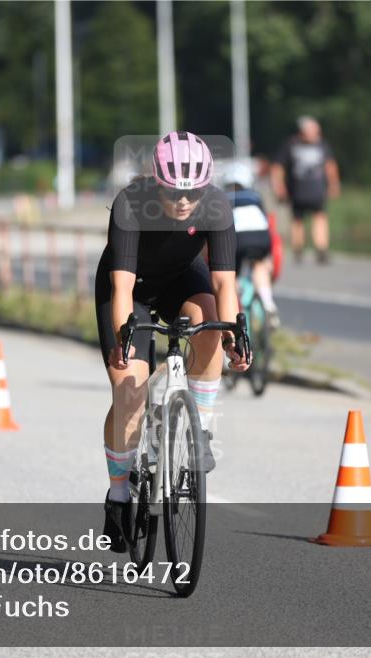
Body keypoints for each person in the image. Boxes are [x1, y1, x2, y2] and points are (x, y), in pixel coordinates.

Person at [95, 131, 251, 551]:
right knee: (130, 392)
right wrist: (126, 338)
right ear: (156, 181)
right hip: (131, 288)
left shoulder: (217, 205)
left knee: (212, 326)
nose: (184, 201)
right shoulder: (131, 202)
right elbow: (124, 287)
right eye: (174, 191)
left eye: (193, 192)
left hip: (182, 279)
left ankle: (199, 427)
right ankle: (118, 494)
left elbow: (223, 281)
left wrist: (237, 329)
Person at [271, 116, 340, 264]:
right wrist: (279, 186)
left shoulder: (322, 144)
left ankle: (321, 250)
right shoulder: (291, 144)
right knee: (297, 220)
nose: (315, 134)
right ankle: (298, 250)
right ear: (303, 131)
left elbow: (330, 165)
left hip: (317, 190)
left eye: (316, 131)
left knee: (320, 218)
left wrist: (334, 184)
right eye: (312, 131)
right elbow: (278, 166)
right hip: (297, 190)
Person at [222, 160, 280, 323]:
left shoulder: (222, 198)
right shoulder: (255, 197)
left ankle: (233, 307)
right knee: (259, 265)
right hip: (261, 235)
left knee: (229, 274)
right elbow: (266, 221)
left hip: (237, 237)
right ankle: (268, 303)